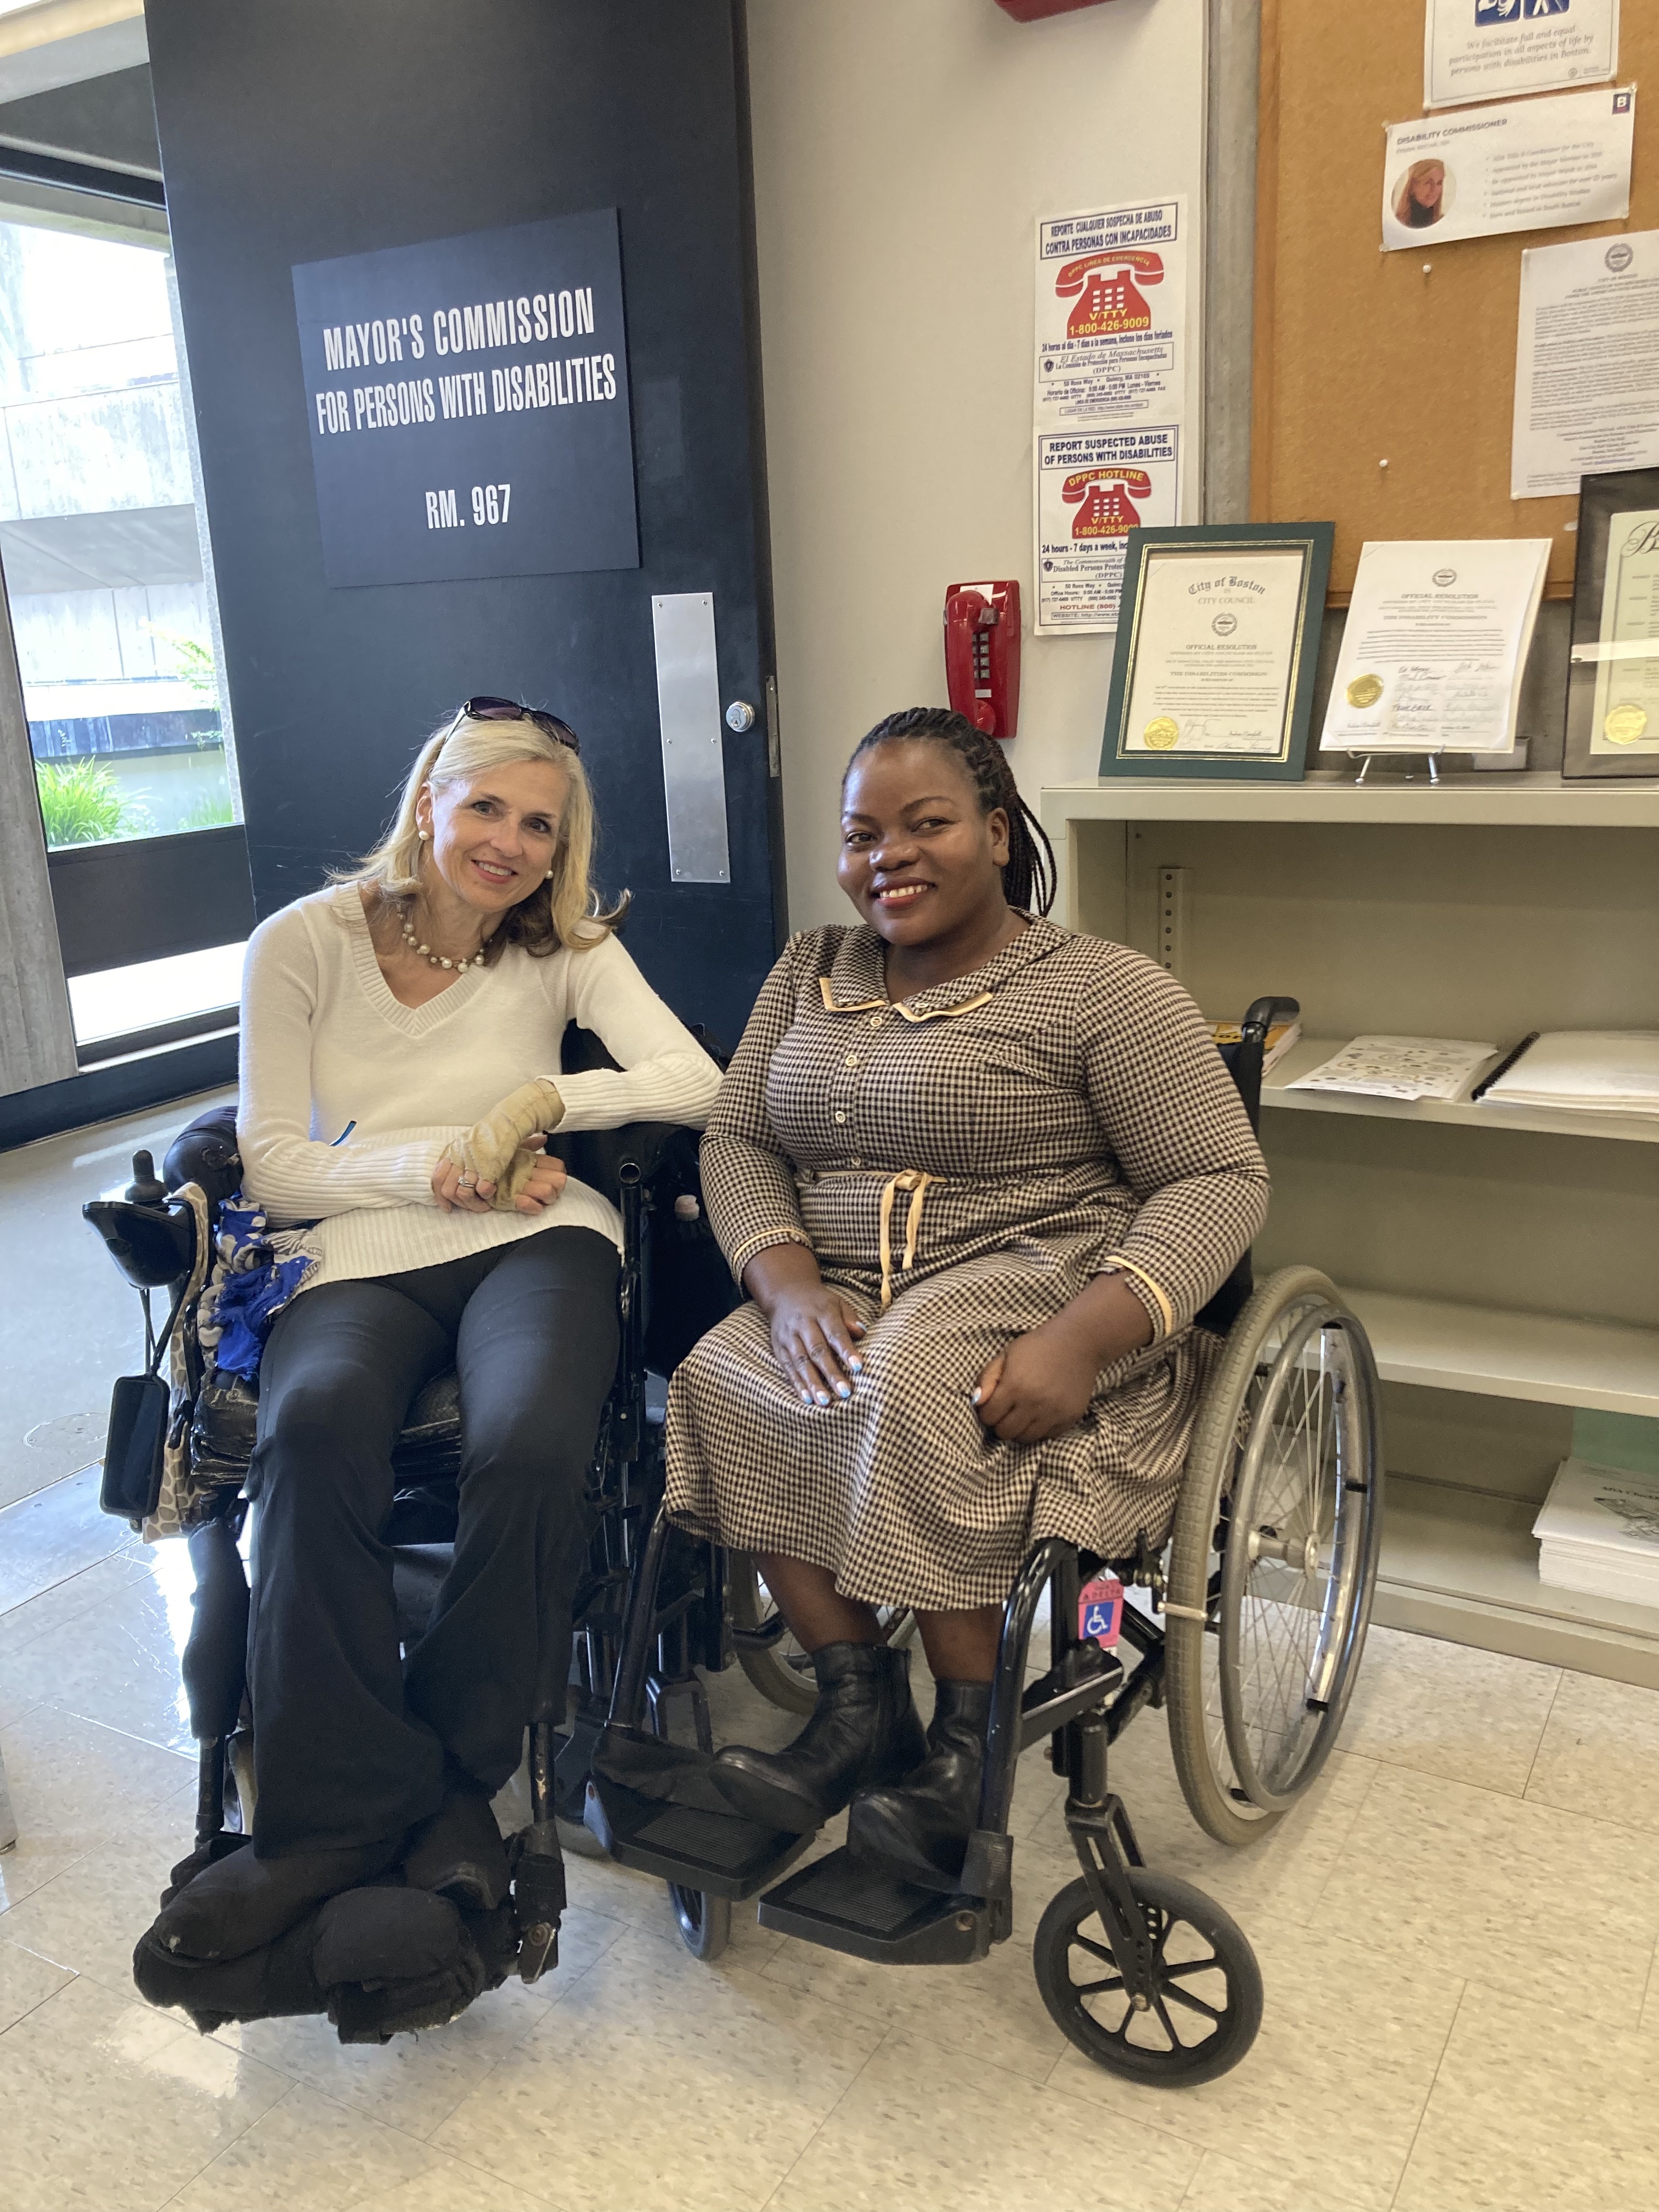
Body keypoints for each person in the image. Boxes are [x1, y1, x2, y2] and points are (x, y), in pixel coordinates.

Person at [155, 699, 721, 1964]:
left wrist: (538, 1101)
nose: (509, 843)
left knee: (527, 1449)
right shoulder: (300, 944)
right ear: (429, 801)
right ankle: (327, 1818)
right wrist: (439, 1166)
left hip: (542, 1237)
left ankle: (460, 1781)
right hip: (357, 1246)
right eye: (486, 808)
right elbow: (283, 1168)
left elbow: (699, 1082)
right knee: (310, 1439)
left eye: (540, 824)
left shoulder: (564, 947)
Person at [665, 706, 1268, 1891]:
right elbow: (737, 1137)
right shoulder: (809, 970)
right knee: (726, 1375)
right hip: (837, 1285)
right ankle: (857, 1710)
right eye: (861, 833)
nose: (887, 854)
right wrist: (784, 1288)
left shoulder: (1102, 988)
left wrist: (1081, 1342)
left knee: (911, 1386)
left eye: (926, 822)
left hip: (1034, 1278)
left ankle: (965, 1739)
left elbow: (1220, 1176)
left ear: (997, 832)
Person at [1393, 159, 1446, 229]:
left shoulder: (1444, 222)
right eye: (1429, 183)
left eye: (1439, 183)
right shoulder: (1397, 223)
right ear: (1413, 186)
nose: (1434, 190)